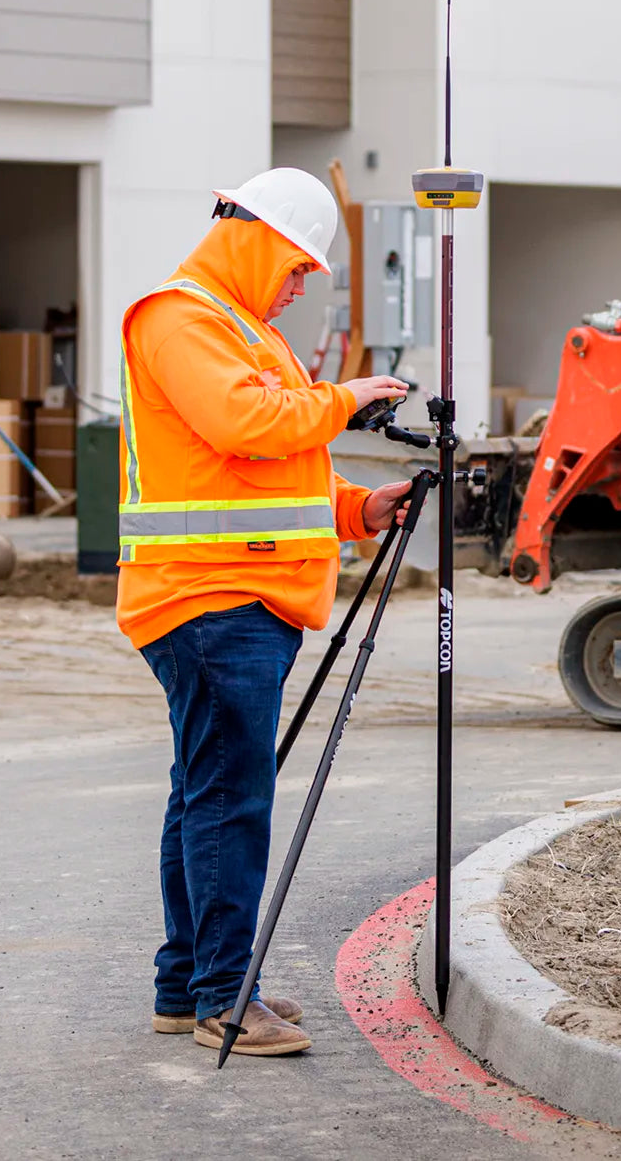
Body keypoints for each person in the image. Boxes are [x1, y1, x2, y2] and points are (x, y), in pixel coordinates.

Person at [117, 167, 413, 1058]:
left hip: (239, 599)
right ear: (259, 241)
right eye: (295, 273)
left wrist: (359, 509)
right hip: (209, 601)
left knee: (203, 796)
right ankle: (220, 998)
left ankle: (191, 988)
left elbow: (275, 470)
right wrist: (349, 398)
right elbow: (248, 424)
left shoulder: (241, 330)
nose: (295, 292)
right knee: (229, 803)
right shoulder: (181, 318)